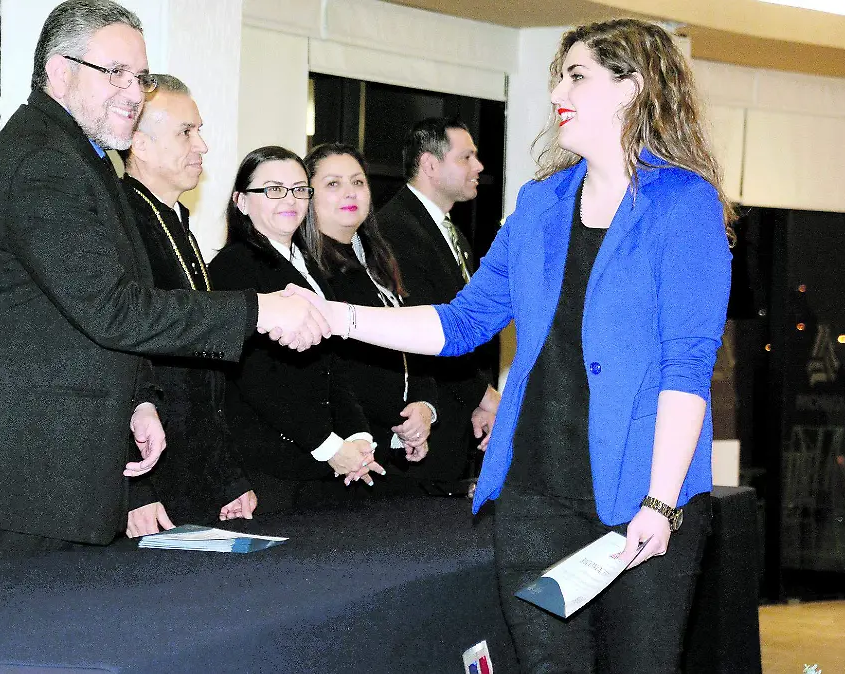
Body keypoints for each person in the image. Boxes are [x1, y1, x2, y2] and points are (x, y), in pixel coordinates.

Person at [287, 19, 734, 672]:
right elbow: (460, 323)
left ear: (632, 88)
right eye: (559, 75)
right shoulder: (541, 204)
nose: (558, 88)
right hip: (536, 495)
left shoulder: (683, 205)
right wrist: (335, 318)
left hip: (642, 494)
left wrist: (662, 502)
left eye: (576, 75)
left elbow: (686, 366)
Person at [0, 1, 331, 562]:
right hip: (36, 465)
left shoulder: (86, 159)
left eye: (139, 77)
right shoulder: (43, 162)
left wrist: (140, 400)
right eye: (114, 73)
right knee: (38, 643)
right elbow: (114, 309)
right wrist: (258, 311)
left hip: (67, 461)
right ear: (58, 72)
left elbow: (98, 318)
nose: (132, 91)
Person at [208, 146, 384, 513]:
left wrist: (358, 434)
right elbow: (257, 377)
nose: (289, 199)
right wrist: (329, 446)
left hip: (318, 460)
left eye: (299, 188)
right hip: (267, 462)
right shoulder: (233, 266)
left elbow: (333, 363)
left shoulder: (311, 265)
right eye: (273, 189)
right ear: (241, 202)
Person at [120, 74, 257, 535]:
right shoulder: (123, 222)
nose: (202, 145)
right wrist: (135, 489)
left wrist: (226, 476)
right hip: (149, 483)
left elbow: (203, 376)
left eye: (199, 130)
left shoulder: (175, 221)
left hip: (194, 480)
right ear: (138, 143)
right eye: (186, 132)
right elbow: (117, 359)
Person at [376, 118, 501, 494]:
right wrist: (483, 393)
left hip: (452, 417)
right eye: (466, 157)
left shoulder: (450, 231)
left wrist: (478, 398)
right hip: (418, 427)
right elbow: (428, 330)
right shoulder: (396, 229)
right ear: (430, 165)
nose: (478, 167)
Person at [303, 143, 436, 486]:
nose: (350, 192)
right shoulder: (305, 269)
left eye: (358, 182)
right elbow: (334, 371)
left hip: (395, 450)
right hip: (346, 454)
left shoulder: (378, 258)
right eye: (333, 184)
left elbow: (412, 338)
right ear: (306, 194)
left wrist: (424, 407)